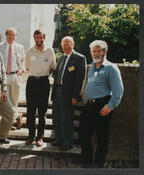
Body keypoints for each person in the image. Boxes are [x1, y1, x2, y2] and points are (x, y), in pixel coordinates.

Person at [76, 40, 124, 168]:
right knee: (83, 132)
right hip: (90, 105)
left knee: (102, 136)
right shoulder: (92, 66)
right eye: (94, 51)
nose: (96, 53)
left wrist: (110, 106)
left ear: (105, 52)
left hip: (103, 105)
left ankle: (98, 163)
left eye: (99, 51)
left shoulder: (111, 68)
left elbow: (118, 90)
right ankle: (86, 158)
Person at [51, 36, 87, 151]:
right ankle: (59, 139)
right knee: (56, 117)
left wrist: (75, 96)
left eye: (68, 44)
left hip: (69, 94)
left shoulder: (79, 58)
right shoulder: (61, 57)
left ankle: (68, 142)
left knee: (66, 118)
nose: (66, 46)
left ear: (73, 44)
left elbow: (80, 79)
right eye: (64, 44)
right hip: (57, 91)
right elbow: (57, 75)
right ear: (61, 46)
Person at [25, 29, 56, 147]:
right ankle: (31, 136)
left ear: (44, 38)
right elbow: (27, 67)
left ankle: (40, 137)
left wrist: (43, 75)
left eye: (41, 38)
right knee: (30, 111)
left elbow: (53, 66)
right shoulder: (29, 51)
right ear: (34, 38)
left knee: (42, 111)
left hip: (44, 82)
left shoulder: (50, 50)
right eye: (36, 38)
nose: (39, 40)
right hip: (32, 82)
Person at [0, 27, 25, 130]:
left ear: (15, 36)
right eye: (9, 34)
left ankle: (11, 122)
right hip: (3, 76)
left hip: (15, 76)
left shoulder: (20, 47)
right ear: (6, 35)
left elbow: (23, 61)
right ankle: (17, 116)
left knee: (14, 100)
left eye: (13, 35)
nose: (11, 37)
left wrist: (22, 69)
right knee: (5, 101)